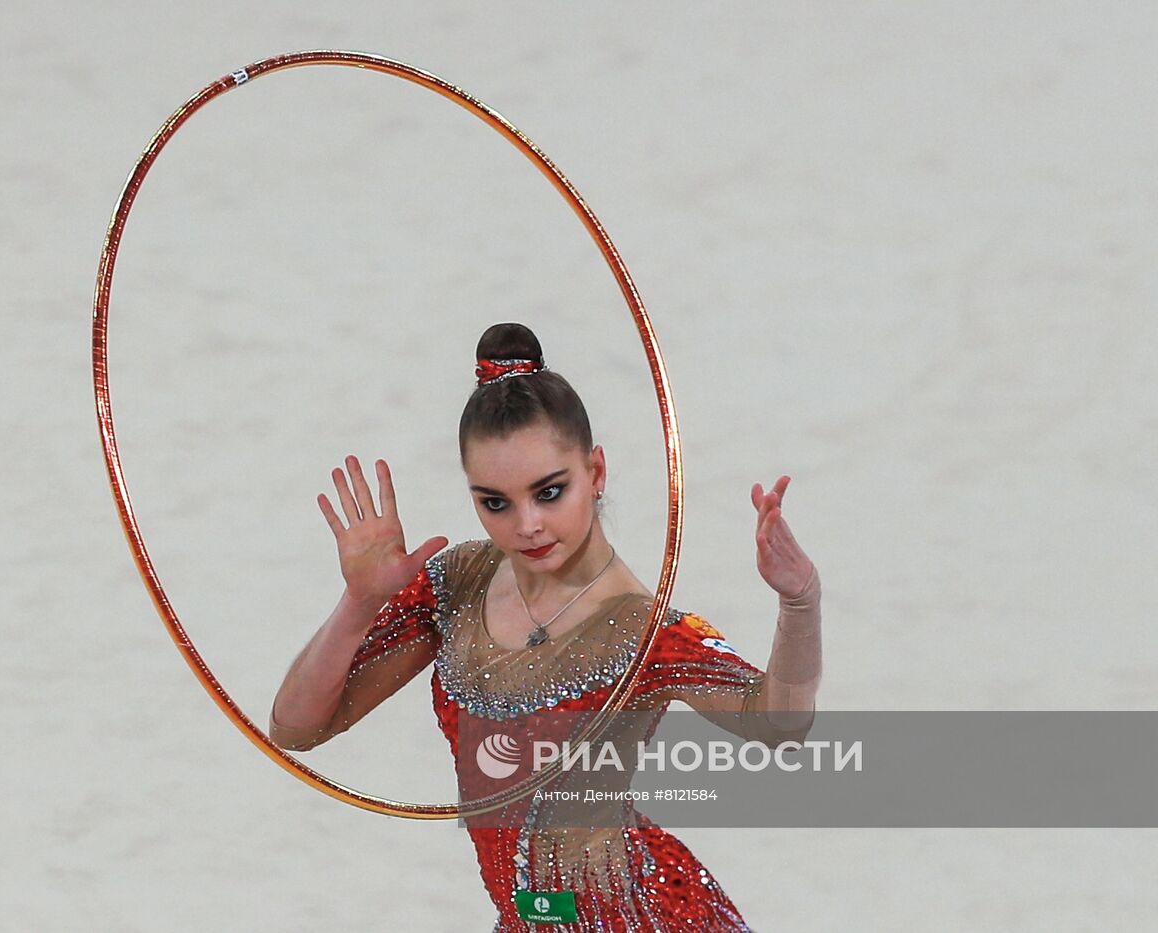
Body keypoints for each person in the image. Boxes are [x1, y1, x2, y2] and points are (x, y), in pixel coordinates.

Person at [270, 322, 823, 931]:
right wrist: (358, 605)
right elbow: (296, 727)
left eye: (550, 492)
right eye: (496, 502)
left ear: (597, 471)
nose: (527, 525)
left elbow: (780, 725)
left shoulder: (642, 628)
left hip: (636, 917)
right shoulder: (455, 583)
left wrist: (799, 602)